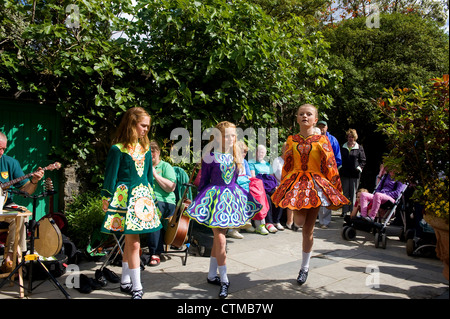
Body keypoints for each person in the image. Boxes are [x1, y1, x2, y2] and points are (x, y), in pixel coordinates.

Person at [271, 104, 349, 285]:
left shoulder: (322, 140)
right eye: (301, 114)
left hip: (315, 185)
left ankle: (304, 268)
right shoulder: (291, 140)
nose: (305, 116)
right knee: (298, 222)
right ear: (297, 118)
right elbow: (287, 165)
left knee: (308, 230)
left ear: (315, 119)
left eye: (309, 114)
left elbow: (330, 165)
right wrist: (284, 186)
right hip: (296, 183)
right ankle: (297, 226)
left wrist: (335, 189)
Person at [185, 121, 262, 298]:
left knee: (220, 239)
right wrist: (199, 201)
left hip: (232, 199)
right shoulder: (209, 156)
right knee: (220, 239)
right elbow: (203, 182)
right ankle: (225, 279)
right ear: (218, 137)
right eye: (226, 135)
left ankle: (212, 275)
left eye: (233, 135)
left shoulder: (237, 155)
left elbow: (237, 179)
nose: (230, 138)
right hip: (215, 200)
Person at [100, 107, 162, 299]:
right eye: (143, 125)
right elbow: (110, 176)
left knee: (131, 242)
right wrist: (106, 198)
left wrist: (151, 197)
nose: (146, 130)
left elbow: (149, 177)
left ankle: (126, 281)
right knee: (134, 244)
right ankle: (137, 287)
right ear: (131, 123)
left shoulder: (145, 149)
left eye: (148, 126)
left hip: (143, 199)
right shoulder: (117, 149)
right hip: (124, 199)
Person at [0, 132, 45, 273]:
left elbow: (26, 190)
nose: (1, 152)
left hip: (4, 207)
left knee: (22, 214)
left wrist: (34, 181)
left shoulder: (10, 163)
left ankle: (11, 259)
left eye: (3, 149)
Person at [146, 140, 177, 266]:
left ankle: (156, 252)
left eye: (153, 152)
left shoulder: (165, 167)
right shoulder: (143, 167)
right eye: (148, 153)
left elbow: (171, 187)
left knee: (152, 212)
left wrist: (155, 175)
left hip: (165, 201)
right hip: (147, 201)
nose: (151, 155)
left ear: (158, 152)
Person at [316, 120, 342, 228]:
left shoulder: (332, 140)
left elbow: (338, 157)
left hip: (328, 172)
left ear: (327, 128)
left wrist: (334, 171)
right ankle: (312, 219)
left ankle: (324, 222)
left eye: (323, 127)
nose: (321, 129)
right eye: (320, 127)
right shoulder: (312, 139)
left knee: (326, 196)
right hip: (315, 171)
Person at [248, 144, 279, 233]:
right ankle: (269, 223)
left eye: (263, 152)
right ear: (256, 152)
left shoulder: (267, 164)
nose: (261, 154)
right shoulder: (251, 162)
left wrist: (276, 186)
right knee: (267, 198)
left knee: (278, 196)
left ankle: (277, 221)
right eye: (260, 152)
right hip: (259, 186)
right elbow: (253, 176)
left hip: (268, 185)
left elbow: (272, 177)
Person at [339, 128, 366, 216]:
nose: (350, 139)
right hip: (345, 173)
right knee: (345, 192)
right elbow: (339, 158)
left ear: (355, 138)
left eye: (352, 137)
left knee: (354, 193)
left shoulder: (359, 148)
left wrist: (358, 168)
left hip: (354, 174)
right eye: (349, 137)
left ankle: (352, 211)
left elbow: (363, 160)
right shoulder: (343, 147)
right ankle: (344, 211)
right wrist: (340, 167)